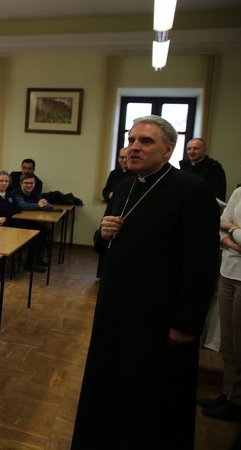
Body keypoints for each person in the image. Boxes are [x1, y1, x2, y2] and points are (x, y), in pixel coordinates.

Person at [72, 116, 219, 448]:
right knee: (110, 386)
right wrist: (101, 234)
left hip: (159, 318)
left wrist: (185, 322)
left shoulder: (193, 190)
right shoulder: (124, 187)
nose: (134, 147)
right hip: (115, 311)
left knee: (149, 398)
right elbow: (107, 241)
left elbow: (202, 263)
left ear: (168, 150)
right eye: (131, 140)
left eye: (145, 141)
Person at [197, 186, 241, 421]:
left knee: (240, 341)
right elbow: (220, 223)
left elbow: (228, 226)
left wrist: (231, 229)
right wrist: (233, 235)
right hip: (228, 271)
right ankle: (227, 394)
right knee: (229, 342)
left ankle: (237, 400)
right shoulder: (240, 193)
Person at [10, 173, 49, 272]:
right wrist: (38, 205)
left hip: (26, 222)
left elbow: (44, 203)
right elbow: (23, 206)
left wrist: (45, 203)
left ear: (35, 184)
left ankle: (36, 259)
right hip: (15, 223)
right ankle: (30, 264)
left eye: (31, 183)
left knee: (46, 231)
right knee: (39, 233)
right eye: (26, 183)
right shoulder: (16, 193)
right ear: (21, 183)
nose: (29, 185)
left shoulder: (33, 193)